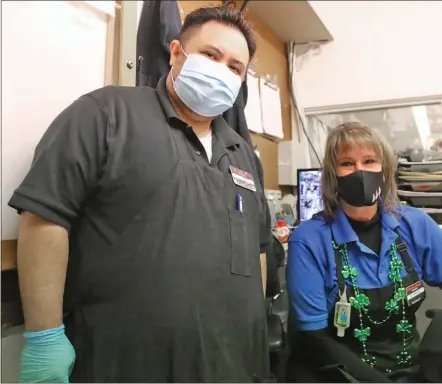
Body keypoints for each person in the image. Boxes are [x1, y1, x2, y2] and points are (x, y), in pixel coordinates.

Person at [10, 6, 271, 383]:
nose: (221, 71)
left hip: (229, 364)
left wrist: (254, 332)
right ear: (177, 52)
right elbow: (44, 215)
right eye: (211, 55)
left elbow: (258, 247)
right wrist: (44, 336)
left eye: (234, 68)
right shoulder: (106, 114)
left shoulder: (241, 151)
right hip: (125, 364)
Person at [285, 122, 442, 383]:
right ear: (332, 175)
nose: (360, 171)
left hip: (406, 368)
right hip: (336, 370)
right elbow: (314, 337)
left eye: (369, 160)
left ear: (385, 169)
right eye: (347, 163)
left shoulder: (414, 224)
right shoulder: (309, 239)